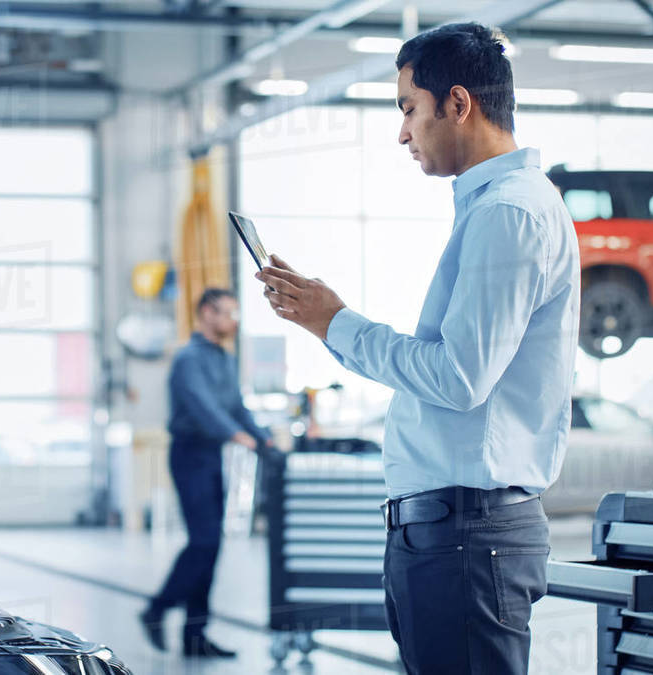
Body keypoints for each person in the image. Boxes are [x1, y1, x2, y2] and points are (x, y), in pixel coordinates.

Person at [255, 22, 579, 675]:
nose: (403, 133)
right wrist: (329, 322)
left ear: (457, 103)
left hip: (467, 536)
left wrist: (335, 322)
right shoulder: (494, 208)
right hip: (451, 532)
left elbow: (458, 377)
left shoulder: (508, 213)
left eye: (408, 109)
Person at [139, 288, 269, 659]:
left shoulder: (225, 359)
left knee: (211, 545)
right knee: (204, 541)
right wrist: (237, 435)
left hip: (212, 455)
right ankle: (158, 608)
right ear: (207, 313)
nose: (234, 321)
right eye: (228, 313)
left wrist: (263, 439)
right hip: (189, 454)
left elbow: (236, 407)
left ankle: (195, 636)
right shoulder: (188, 359)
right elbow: (202, 406)